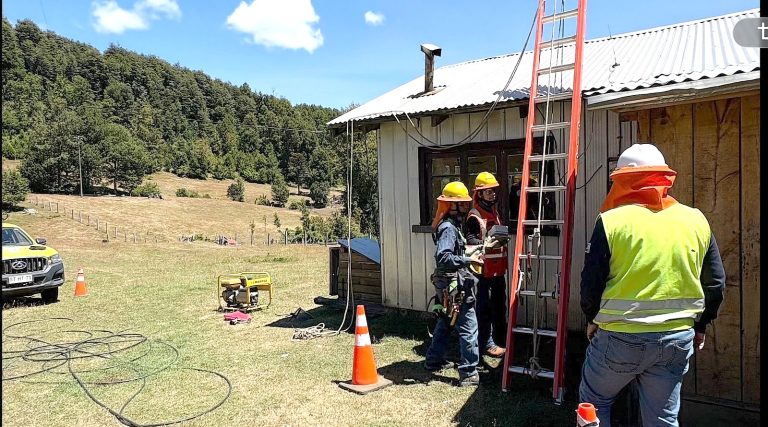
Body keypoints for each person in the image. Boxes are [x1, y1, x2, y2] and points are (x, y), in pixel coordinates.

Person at [579, 144, 725, 427]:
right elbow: (716, 284)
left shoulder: (611, 222)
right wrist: (701, 325)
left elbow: (590, 283)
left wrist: (591, 318)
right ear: (663, 178)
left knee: (594, 404)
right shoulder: (696, 220)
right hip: (677, 338)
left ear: (622, 180)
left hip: (619, 338)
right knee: (663, 418)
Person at [424, 181, 484, 387]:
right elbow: (444, 258)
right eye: (462, 204)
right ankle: (468, 373)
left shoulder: (451, 225)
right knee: (468, 327)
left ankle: (433, 360)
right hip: (454, 286)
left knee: (445, 321)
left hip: (447, 285)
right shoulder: (449, 228)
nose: (467, 207)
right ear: (451, 206)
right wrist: (469, 260)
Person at [465, 172, 507, 358]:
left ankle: (501, 340)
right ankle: (486, 344)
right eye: (488, 192)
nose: (492, 195)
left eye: (493, 191)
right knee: (485, 310)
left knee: (499, 307)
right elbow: (471, 241)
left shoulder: (494, 212)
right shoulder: (474, 216)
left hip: (498, 271)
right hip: (483, 273)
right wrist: (487, 242)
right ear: (479, 194)